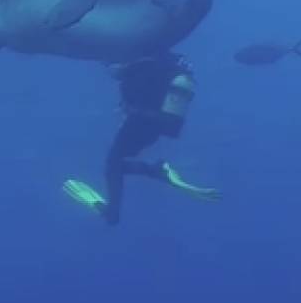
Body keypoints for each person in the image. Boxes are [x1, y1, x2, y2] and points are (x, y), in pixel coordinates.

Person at [63, 49, 221, 224]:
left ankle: (113, 212)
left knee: (113, 163)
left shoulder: (138, 65)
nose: (108, 69)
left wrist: (132, 110)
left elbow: (133, 88)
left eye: (108, 64)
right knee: (116, 163)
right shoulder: (152, 65)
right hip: (153, 125)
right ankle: (156, 171)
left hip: (142, 122)